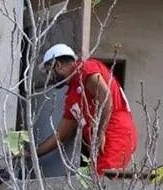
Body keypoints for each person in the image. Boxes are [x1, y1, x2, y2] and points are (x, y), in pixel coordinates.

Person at [30, 44, 138, 175]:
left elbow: (106, 97)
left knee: (103, 180)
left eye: (49, 72)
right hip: (101, 140)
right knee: (96, 182)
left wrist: (100, 132)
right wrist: (31, 153)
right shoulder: (72, 97)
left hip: (115, 133)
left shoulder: (85, 68)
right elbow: (60, 135)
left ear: (57, 65)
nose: (49, 78)